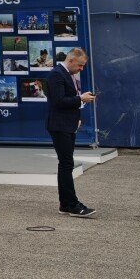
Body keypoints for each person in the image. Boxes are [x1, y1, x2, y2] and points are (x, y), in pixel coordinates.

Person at [48, 47, 97, 217]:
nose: (81, 69)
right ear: (70, 60)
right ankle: (71, 204)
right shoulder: (57, 74)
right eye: (80, 65)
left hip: (68, 124)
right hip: (59, 125)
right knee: (66, 163)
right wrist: (80, 98)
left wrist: (79, 108)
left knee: (66, 163)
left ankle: (65, 204)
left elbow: (69, 99)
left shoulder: (68, 74)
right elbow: (59, 101)